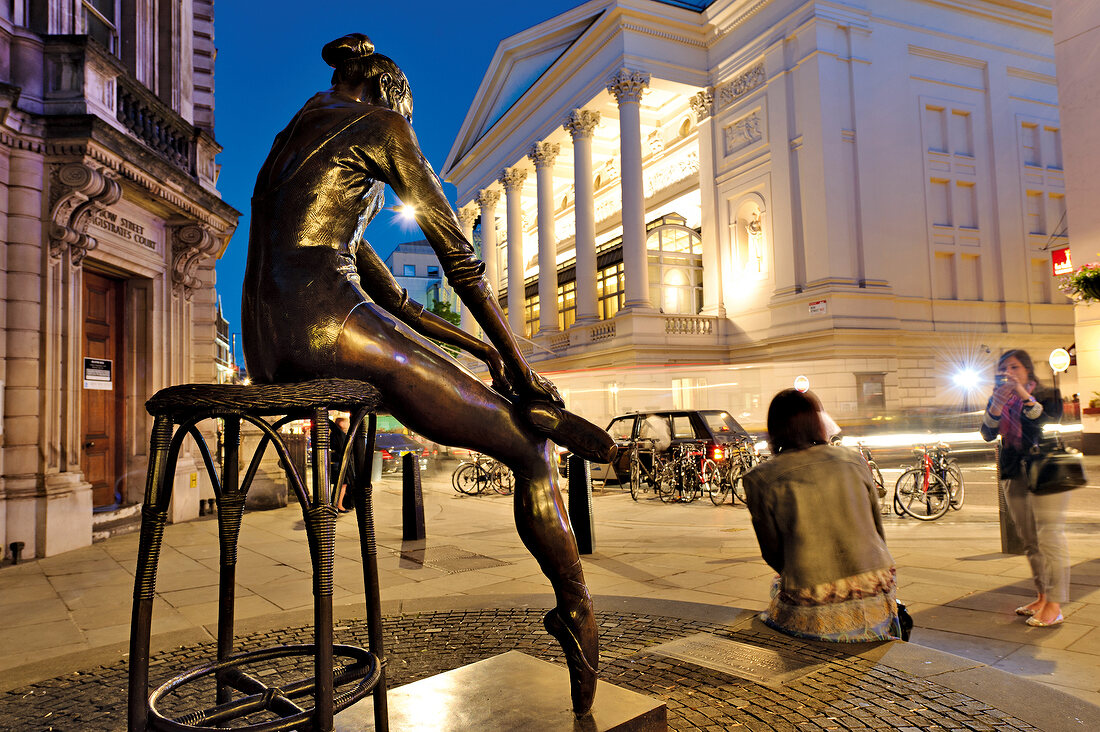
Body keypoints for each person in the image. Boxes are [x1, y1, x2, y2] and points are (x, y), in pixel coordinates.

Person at [241, 33, 611, 717]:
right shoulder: (381, 126)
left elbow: (396, 300)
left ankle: (354, 450)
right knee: (530, 450)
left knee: (407, 368)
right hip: (329, 326)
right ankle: (579, 614)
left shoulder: (289, 141)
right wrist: (524, 371)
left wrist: (482, 354)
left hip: (273, 344)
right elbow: (458, 259)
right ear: (389, 95)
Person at [742, 389, 901, 642]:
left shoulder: (760, 478)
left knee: (775, 597)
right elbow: (876, 527)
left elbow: (771, 551)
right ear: (817, 421)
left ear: (774, 428)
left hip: (814, 592)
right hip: (875, 580)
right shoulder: (854, 460)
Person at [980, 349, 1068, 627]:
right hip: (1013, 472)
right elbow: (987, 433)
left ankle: (1055, 604)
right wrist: (996, 404)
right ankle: (1042, 596)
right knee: (1030, 540)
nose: (1008, 372)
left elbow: (1045, 421)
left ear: (1028, 369)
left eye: (1014, 367)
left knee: (1049, 537)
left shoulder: (1048, 394)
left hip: (1045, 470)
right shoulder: (998, 399)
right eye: (1004, 368)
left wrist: (1023, 395)